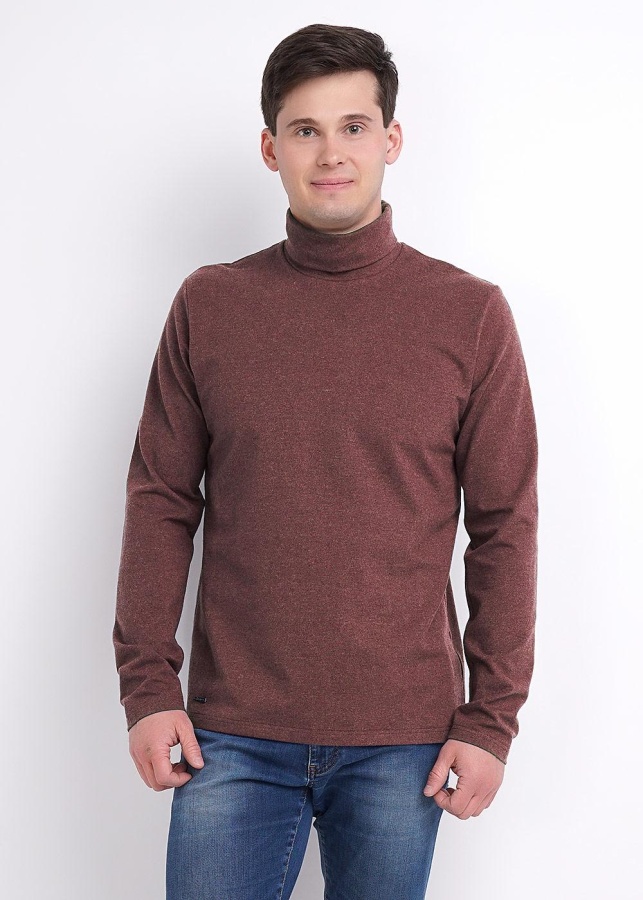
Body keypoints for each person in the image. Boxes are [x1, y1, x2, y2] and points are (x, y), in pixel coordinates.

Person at [113, 23, 538, 900]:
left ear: (391, 139)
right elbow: (160, 499)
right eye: (305, 129)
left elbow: (504, 524)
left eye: (353, 126)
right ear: (271, 148)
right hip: (229, 732)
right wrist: (148, 688)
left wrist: (489, 720)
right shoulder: (211, 304)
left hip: (403, 737)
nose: (331, 152)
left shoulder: (469, 315)